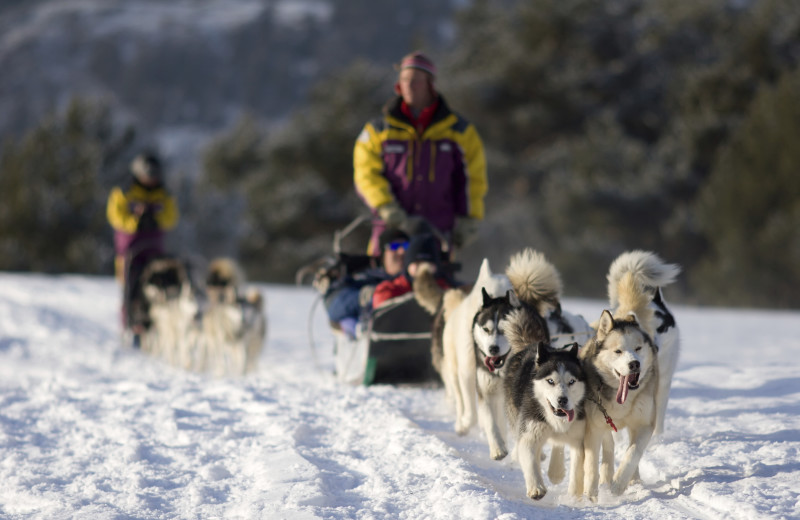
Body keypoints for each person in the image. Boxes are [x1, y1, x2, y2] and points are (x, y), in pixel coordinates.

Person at [353, 51, 488, 258]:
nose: (409, 85)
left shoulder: (460, 131)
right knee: (387, 288)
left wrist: (470, 219)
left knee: (435, 288)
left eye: (416, 80)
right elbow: (365, 174)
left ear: (430, 84)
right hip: (391, 234)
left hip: (437, 235)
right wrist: (386, 207)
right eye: (405, 79)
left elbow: (473, 178)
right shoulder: (377, 130)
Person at [106, 152, 179, 336]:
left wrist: (156, 220)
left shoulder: (164, 193)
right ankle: (130, 325)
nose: (151, 180)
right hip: (130, 250)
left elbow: (171, 217)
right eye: (148, 175)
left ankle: (157, 326)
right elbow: (115, 216)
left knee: (160, 284)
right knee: (131, 287)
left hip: (155, 249)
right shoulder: (124, 191)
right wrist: (135, 221)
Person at [323, 228, 410, 338]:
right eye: (395, 246)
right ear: (383, 253)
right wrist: (364, 296)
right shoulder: (366, 276)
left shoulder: (418, 278)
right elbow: (334, 306)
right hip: (377, 339)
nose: (402, 251)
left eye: (406, 246)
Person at [371, 233, 454, 309]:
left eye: (427, 265)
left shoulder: (447, 289)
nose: (422, 269)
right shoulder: (390, 290)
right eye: (417, 264)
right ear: (408, 266)